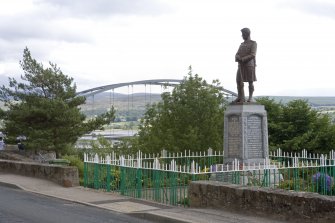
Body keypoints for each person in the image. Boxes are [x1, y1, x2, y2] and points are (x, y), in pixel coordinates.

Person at [234, 28, 257, 103]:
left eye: (243, 34)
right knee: (238, 81)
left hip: (249, 65)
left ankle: (250, 97)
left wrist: (242, 59)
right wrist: (237, 56)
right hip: (240, 65)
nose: (242, 36)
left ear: (247, 34)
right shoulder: (242, 44)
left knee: (250, 81)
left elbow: (252, 54)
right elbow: (237, 53)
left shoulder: (253, 43)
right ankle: (240, 97)